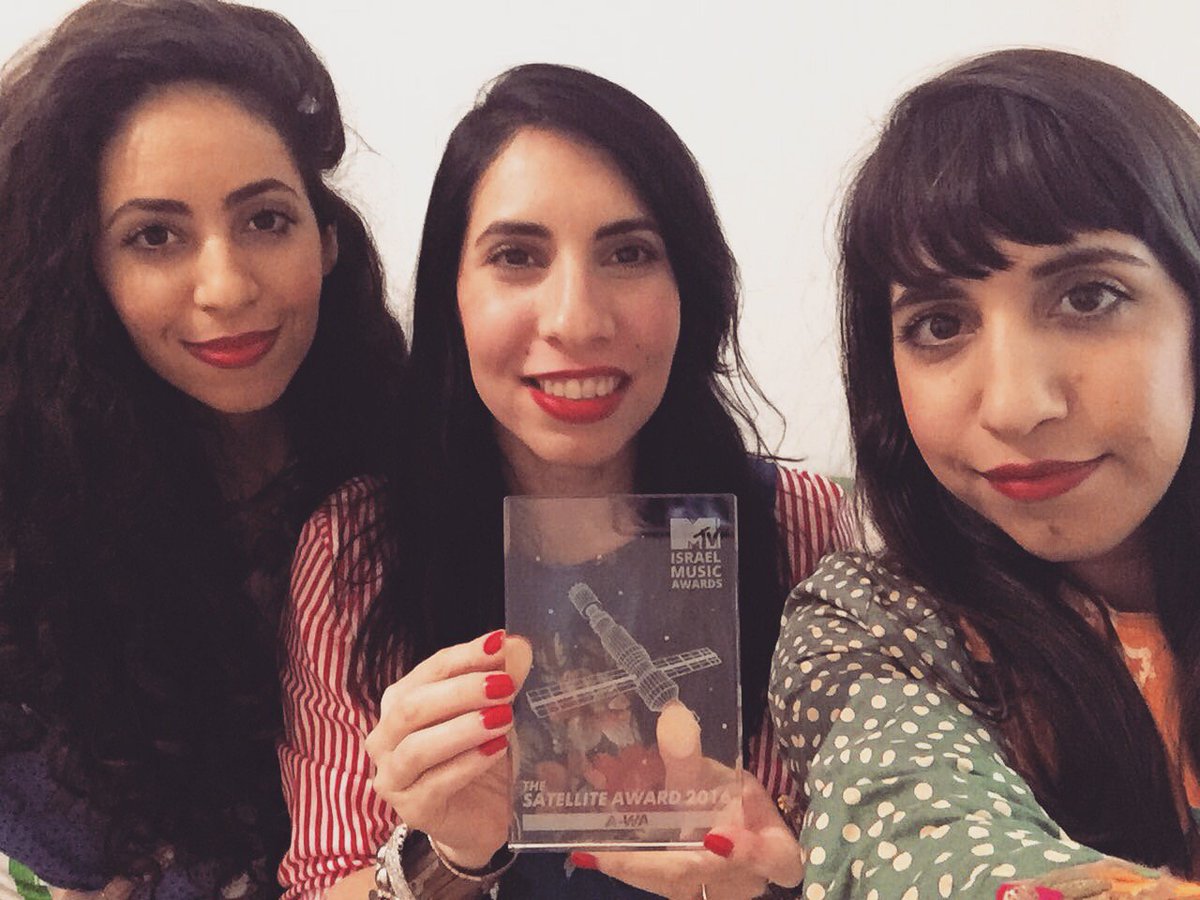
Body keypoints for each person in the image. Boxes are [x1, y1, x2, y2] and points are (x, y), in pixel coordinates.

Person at [278, 63, 848, 899]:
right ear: (451, 295)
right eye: (516, 256)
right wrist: (452, 854)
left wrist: (780, 880)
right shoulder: (358, 551)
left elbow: (886, 847)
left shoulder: (802, 529)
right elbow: (318, 881)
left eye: (629, 253)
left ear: (691, 289)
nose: (577, 320)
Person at [769, 48, 1200, 898]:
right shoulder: (868, 628)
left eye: (1087, 297)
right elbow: (920, 840)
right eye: (939, 324)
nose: (1013, 406)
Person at [0, 0, 406, 896]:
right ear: (86, 273)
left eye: (265, 220)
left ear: (327, 239)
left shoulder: (420, 468)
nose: (224, 287)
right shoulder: (32, 545)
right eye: (155, 237)